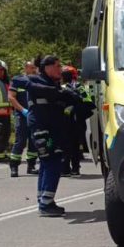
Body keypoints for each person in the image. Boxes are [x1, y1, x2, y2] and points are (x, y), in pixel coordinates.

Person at [27, 55, 80, 217]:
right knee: (53, 163)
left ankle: (44, 199)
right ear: (47, 68)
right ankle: (45, 203)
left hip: (50, 129)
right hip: (43, 130)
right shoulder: (38, 82)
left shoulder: (50, 83)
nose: (60, 69)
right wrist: (62, 93)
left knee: (46, 163)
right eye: (57, 66)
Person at [60, 67, 94, 176]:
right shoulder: (80, 87)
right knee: (75, 145)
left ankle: (65, 168)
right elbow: (89, 102)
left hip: (65, 121)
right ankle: (75, 168)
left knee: (65, 145)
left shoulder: (59, 87)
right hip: (78, 121)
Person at [8, 60, 39, 177]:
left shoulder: (37, 80)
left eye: (35, 68)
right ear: (26, 68)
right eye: (31, 68)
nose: (34, 70)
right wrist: (22, 110)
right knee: (20, 141)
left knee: (34, 141)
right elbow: (11, 98)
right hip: (22, 115)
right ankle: (14, 166)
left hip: (35, 115)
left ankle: (31, 166)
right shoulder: (18, 80)